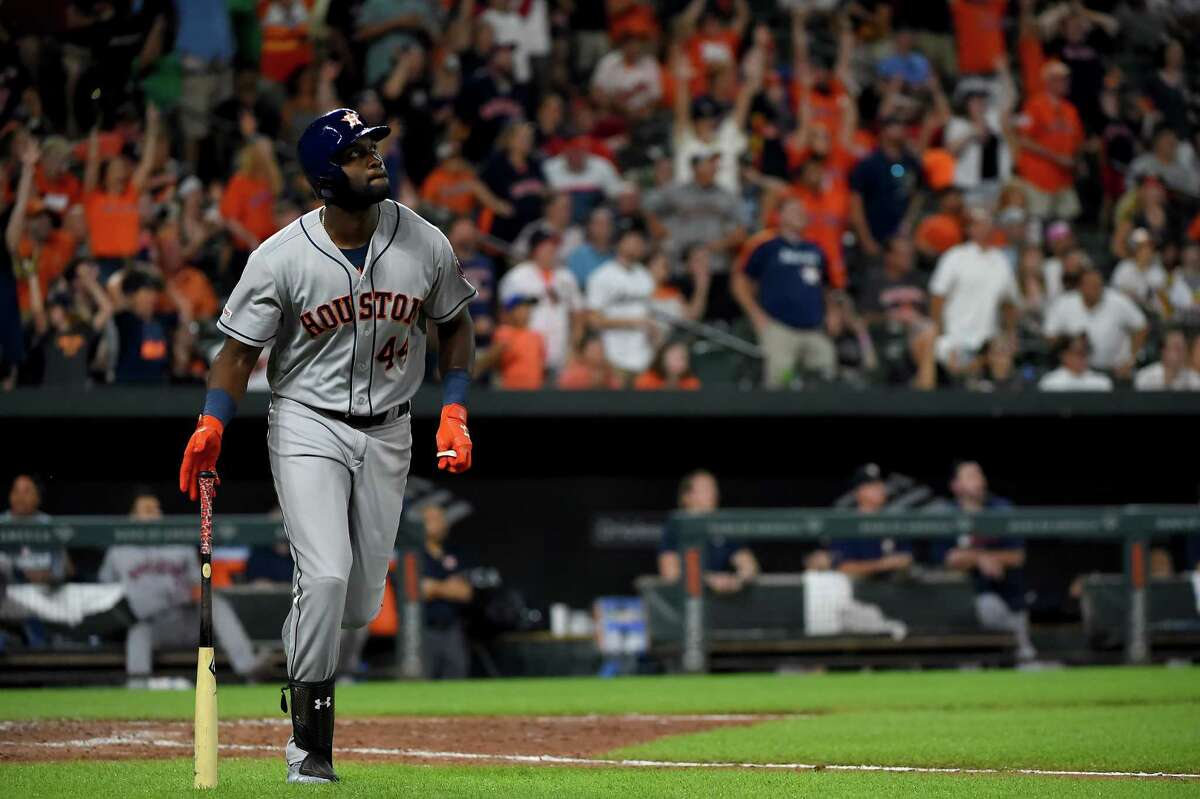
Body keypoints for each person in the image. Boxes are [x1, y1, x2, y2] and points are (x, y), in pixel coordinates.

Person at [177, 107, 477, 785]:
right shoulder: (280, 256)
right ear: (323, 175)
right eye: (357, 151)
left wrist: (454, 407)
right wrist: (213, 420)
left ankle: (301, 646)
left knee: (360, 602)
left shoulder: (424, 240)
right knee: (327, 573)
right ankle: (309, 746)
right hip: (308, 421)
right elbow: (235, 354)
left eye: (374, 146)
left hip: (391, 426)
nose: (375, 158)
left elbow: (456, 325)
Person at [98, 487, 268, 689]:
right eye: (147, 510)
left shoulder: (178, 543)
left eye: (157, 508)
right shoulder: (119, 549)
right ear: (132, 516)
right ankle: (138, 688)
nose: (155, 514)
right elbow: (104, 590)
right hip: (152, 625)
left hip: (186, 619)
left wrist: (199, 592)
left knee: (216, 604)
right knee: (138, 632)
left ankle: (250, 669)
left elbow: (198, 583)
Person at [733, 197, 835, 388]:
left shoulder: (816, 249)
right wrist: (756, 315)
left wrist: (831, 312)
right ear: (780, 216)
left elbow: (826, 287)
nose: (800, 213)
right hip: (780, 329)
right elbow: (739, 282)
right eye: (794, 210)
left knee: (825, 378)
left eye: (802, 210)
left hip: (814, 329)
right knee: (781, 383)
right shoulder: (766, 246)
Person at [941, 461, 1036, 661]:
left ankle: (1021, 650)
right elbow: (948, 558)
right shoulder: (946, 513)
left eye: (979, 475)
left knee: (1022, 657)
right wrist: (981, 558)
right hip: (963, 606)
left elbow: (1017, 556)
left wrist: (976, 558)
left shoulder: (1001, 510)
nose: (979, 481)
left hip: (1009, 599)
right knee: (984, 604)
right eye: (970, 477)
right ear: (955, 485)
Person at [923, 208, 1019, 382]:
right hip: (954, 339)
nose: (985, 228)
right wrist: (941, 334)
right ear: (969, 229)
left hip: (988, 342)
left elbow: (1009, 302)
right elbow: (937, 298)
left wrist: (1010, 334)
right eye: (979, 224)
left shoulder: (1001, 261)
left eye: (988, 223)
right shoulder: (955, 257)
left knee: (1001, 367)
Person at [497, 228, 585, 375]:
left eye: (554, 246)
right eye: (546, 246)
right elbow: (506, 317)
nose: (551, 250)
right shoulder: (517, 277)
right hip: (526, 356)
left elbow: (579, 316)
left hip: (560, 356)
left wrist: (574, 349)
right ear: (534, 250)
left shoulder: (566, 277)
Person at [658, 470, 759, 594]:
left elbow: (749, 566)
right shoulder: (675, 525)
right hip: (684, 601)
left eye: (714, 487)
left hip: (722, 602)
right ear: (687, 496)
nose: (713, 493)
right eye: (705, 488)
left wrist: (736, 580)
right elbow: (670, 573)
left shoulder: (724, 524)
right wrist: (708, 580)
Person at [1044, 268, 1147, 378]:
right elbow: (1050, 335)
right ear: (1080, 287)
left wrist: (1130, 360)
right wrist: (1071, 346)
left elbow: (1141, 326)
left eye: (1098, 285)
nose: (1096, 289)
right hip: (1072, 372)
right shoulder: (1064, 303)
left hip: (1113, 370)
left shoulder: (1118, 301)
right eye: (1091, 286)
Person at [1014, 60, 1083, 220]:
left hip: (1063, 179)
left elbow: (1077, 141)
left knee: (1066, 222)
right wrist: (1056, 157)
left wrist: (1076, 160)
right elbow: (1023, 139)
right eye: (1061, 79)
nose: (1066, 82)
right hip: (1038, 178)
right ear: (1049, 81)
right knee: (1038, 221)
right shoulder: (1034, 105)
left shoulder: (1070, 109)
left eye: (1066, 78)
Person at [848, 116, 926, 258]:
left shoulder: (911, 163)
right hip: (874, 234)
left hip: (901, 240)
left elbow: (919, 192)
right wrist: (866, 239)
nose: (901, 130)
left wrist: (909, 220)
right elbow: (856, 203)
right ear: (883, 131)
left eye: (903, 126)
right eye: (895, 126)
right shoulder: (869, 164)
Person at [587, 228, 656, 381]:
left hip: (643, 357)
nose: (637, 245)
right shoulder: (602, 275)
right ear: (619, 243)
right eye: (632, 240)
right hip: (612, 357)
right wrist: (631, 322)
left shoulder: (645, 276)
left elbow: (648, 314)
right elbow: (593, 320)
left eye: (640, 242)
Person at [420, 504, 474, 680]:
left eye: (441, 519)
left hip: (451, 628)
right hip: (422, 629)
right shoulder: (413, 555)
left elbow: (465, 592)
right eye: (432, 520)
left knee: (457, 674)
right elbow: (420, 590)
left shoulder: (453, 553)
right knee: (421, 680)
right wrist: (447, 587)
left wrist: (435, 587)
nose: (438, 524)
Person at [831, 464, 913, 579]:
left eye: (880, 484)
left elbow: (907, 557)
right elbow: (844, 567)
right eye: (872, 486)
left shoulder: (892, 521)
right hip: (859, 590)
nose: (880, 489)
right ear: (858, 491)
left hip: (894, 588)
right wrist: (883, 564)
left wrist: (903, 562)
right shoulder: (847, 524)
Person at [475, 295, 545, 389]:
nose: (526, 312)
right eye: (521, 308)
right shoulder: (504, 332)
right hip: (511, 391)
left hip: (534, 391)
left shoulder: (537, 336)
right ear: (510, 312)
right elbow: (491, 362)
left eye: (527, 308)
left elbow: (541, 366)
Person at [1038, 334, 1113, 392]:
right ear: (1064, 356)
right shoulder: (1050, 383)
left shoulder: (1102, 383)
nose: (1081, 358)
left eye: (1084, 353)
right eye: (1076, 353)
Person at [1135, 328, 1200, 391]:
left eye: (1183, 348)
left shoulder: (1194, 380)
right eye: (1176, 348)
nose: (1181, 353)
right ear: (1164, 351)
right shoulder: (1145, 377)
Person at [566, 206, 615, 290]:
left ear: (612, 228)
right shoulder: (577, 256)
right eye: (599, 224)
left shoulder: (617, 255)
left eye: (607, 224)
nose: (603, 228)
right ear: (590, 227)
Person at [634, 339, 700, 390]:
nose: (677, 362)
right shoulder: (646, 380)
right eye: (673, 357)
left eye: (682, 357)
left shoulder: (692, 384)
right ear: (662, 358)